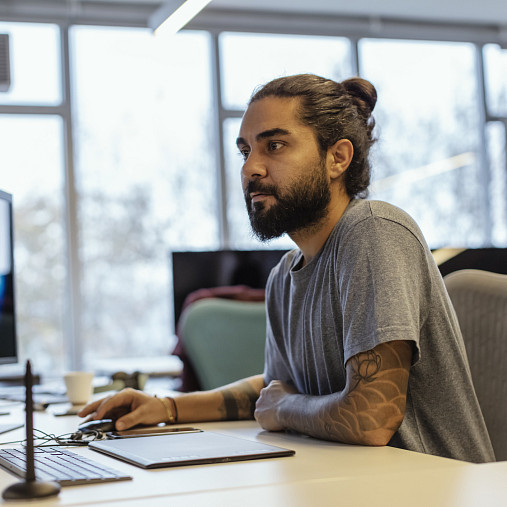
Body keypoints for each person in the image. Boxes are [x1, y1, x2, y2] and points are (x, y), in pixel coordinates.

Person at [80, 73, 494, 463]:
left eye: (273, 145)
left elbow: (370, 418)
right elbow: (273, 392)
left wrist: (284, 407)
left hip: (429, 489)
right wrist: (166, 406)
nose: (249, 168)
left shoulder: (373, 231)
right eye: (245, 150)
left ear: (338, 157)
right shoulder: (284, 275)